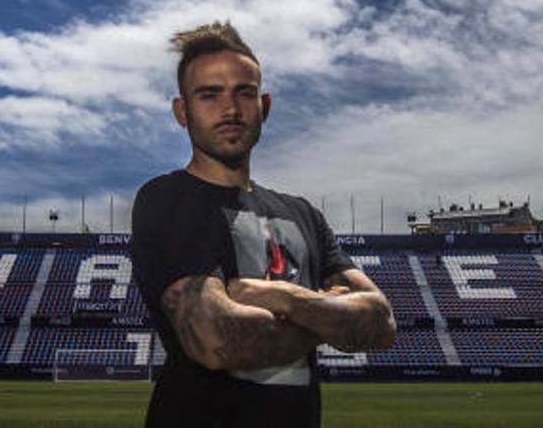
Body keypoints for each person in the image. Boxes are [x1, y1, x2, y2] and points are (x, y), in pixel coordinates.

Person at [130, 21, 396, 427]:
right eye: (209, 95)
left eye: (244, 93)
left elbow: (381, 323)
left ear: (264, 106)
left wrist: (286, 301)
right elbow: (217, 340)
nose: (230, 110)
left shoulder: (303, 214)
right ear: (182, 112)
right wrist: (328, 318)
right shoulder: (167, 199)